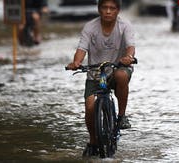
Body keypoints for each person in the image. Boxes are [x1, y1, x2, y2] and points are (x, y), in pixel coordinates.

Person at [66, 0, 136, 157]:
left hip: (117, 68)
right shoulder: (90, 27)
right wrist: (76, 62)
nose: (108, 11)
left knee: (122, 75)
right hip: (95, 74)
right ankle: (93, 142)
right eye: (105, 7)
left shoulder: (125, 26)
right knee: (90, 107)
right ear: (99, 9)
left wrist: (129, 57)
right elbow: (81, 48)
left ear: (118, 10)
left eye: (112, 8)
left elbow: (130, 46)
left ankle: (121, 116)